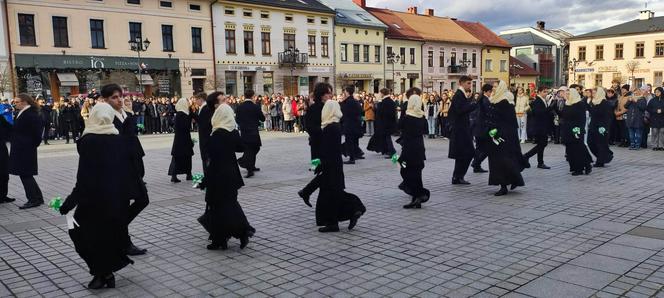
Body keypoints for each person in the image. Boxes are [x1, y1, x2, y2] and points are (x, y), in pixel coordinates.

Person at [59, 103, 134, 289]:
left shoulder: (88, 140)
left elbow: (84, 177)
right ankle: (105, 273)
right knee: (105, 237)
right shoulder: (118, 138)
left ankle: (101, 273)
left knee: (78, 233)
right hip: (115, 199)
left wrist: (69, 203)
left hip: (92, 200)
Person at [102, 84, 149, 256]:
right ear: (105, 100)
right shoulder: (105, 117)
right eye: (114, 97)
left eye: (120, 96)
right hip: (116, 169)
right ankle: (123, 241)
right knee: (121, 206)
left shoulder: (125, 114)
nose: (120, 100)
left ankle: (116, 229)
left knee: (143, 200)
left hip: (132, 166)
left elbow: (132, 140)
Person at [203, 103, 255, 250]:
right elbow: (241, 147)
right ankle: (222, 239)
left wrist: (204, 180)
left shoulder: (216, 135)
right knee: (228, 205)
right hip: (232, 175)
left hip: (219, 176)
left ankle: (240, 232)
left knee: (220, 208)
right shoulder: (231, 133)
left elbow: (212, 161)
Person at [316, 99, 366, 233]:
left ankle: (348, 213)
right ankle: (353, 211)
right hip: (334, 164)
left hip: (331, 165)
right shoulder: (335, 125)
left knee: (331, 195)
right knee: (335, 194)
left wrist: (321, 164)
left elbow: (328, 149)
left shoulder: (329, 127)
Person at [484, 81, 526, 196]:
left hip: (503, 135)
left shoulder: (505, 102)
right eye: (493, 87)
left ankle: (504, 186)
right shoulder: (496, 99)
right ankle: (513, 180)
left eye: (496, 87)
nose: (493, 89)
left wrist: (498, 133)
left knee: (502, 161)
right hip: (496, 134)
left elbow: (508, 122)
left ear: (501, 88)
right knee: (500, 160)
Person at [298, 82, 333, 207]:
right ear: (322, 95)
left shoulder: (330, 107)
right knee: (325, 173)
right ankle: (306, 192)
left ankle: (306, 191)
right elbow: (310, 128)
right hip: (319, 146)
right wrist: (325, 129)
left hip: (330, 146)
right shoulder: (314, 108)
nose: (331, 95)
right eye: (328, 93)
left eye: (331, 92)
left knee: (327, 176)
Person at [9, 94, 44, 209]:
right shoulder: (23, 112)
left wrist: (30, 145)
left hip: (26, 149)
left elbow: (37, 134)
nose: (15, 104)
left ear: (24, 102)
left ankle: (33, 199)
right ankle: (38, 198)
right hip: (21, 148)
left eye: (17, 102)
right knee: (26, 174)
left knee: (25, 174)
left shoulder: (31, 114)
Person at [397, 88, 430, 209]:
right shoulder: (422, 117)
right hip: (419, 148)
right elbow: (425, 130)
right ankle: (417, 198)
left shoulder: (407, 117)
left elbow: (399, 126)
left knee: (404, 168)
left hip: (408, 149)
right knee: (417, 173)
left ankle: (418, 193)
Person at [448, 76, 477, 185]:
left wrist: (469, 101)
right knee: (468, 153)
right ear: (462, 83)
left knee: (463, 154)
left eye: (471, 83)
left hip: (463, 129)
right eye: (468, 83)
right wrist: (473, 105)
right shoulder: (458, 95)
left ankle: (457, 177)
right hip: (460, 130)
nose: (470, 86)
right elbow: (460, 110)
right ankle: (458, 176)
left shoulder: (462, 95)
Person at [561, 88, 593, 175]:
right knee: (570, 150)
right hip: (567, 130)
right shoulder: (567, 103)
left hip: (576, 130)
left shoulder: (580, 104)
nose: (566, 95)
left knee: (578, 149)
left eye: (568, 94)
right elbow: (564, 116)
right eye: (566, 94)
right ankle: (575, 167)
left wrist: (577, 130)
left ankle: (581, 168)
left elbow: (581, 119)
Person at [236, 89, 265, 178]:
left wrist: (242, 125)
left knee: (253, 148)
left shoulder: (240, 107)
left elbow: (237, 119)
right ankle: (247, 166)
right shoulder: (255, 106)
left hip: (244, 131)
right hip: (253, 131)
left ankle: (251, 165)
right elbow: (263, 119)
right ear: (252, 96)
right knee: (251, 150)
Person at [523, 86, 553, 169]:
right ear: (539, 92)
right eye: (544, 91)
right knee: (542, 144)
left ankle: (540, 162)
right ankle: (527, 156)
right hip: (539, 126)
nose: (546, 93)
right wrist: (550, 108)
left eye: (547, 91)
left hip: (542, 126)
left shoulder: (542, 100)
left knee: (542, 144)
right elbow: (539, 113)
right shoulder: (537, 101)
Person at [168, 98, 194, 182]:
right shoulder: (180, 114)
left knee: (187, 157)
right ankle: (174, 175)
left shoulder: (186, 113)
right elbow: (183, 126)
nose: (188, 104)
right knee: (178, 157)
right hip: (180, 139)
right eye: (187, 102)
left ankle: (188, 174)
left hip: (185, 138)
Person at [587, 87, 614, 167]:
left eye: (595, 93)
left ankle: (600, 161)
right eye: (593, 93)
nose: (593, 94)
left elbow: (609, 116)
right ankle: (606, 155)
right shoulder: (593, 102)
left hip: (601, 127)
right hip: (593, 126)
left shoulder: (605, 103)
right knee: (590, 143)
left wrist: (605, 127)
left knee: (601, 144)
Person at [340, 85, 364, 164]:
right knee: (354, 140)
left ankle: (352, 158)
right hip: (356, 123)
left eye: (345, 91)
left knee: (349, 141)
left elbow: (342, 113)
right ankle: (357, 154)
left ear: (347, 92)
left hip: (349, 124)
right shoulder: (355, 101)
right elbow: (361, 111)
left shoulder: (346, 102)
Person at [471, 84, 492, 173]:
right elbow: (488, 114)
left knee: (479, 148)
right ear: (485, 92)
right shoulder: (485, 100)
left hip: (478, 128)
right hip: (483, 128)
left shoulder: (480, 99)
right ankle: (476, 163)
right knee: (488, 149)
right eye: (490, 91)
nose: (491, 93)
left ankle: (476, 166)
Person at [0, 106, 12, 204]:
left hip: (1, 149)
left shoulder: (0, 118)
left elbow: (9, 128)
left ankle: (3, 195)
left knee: (4, 174)